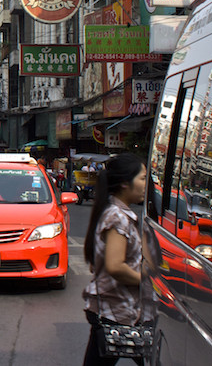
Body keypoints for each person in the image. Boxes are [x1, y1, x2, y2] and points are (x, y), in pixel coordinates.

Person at [81, 153, 148, 366]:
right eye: (143, 178)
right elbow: (115, 266)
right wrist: (147, 281)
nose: (146, 184)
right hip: (114, 311)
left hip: (119, 309)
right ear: (124, 183)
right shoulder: (117, 216)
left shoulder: (115, 213)